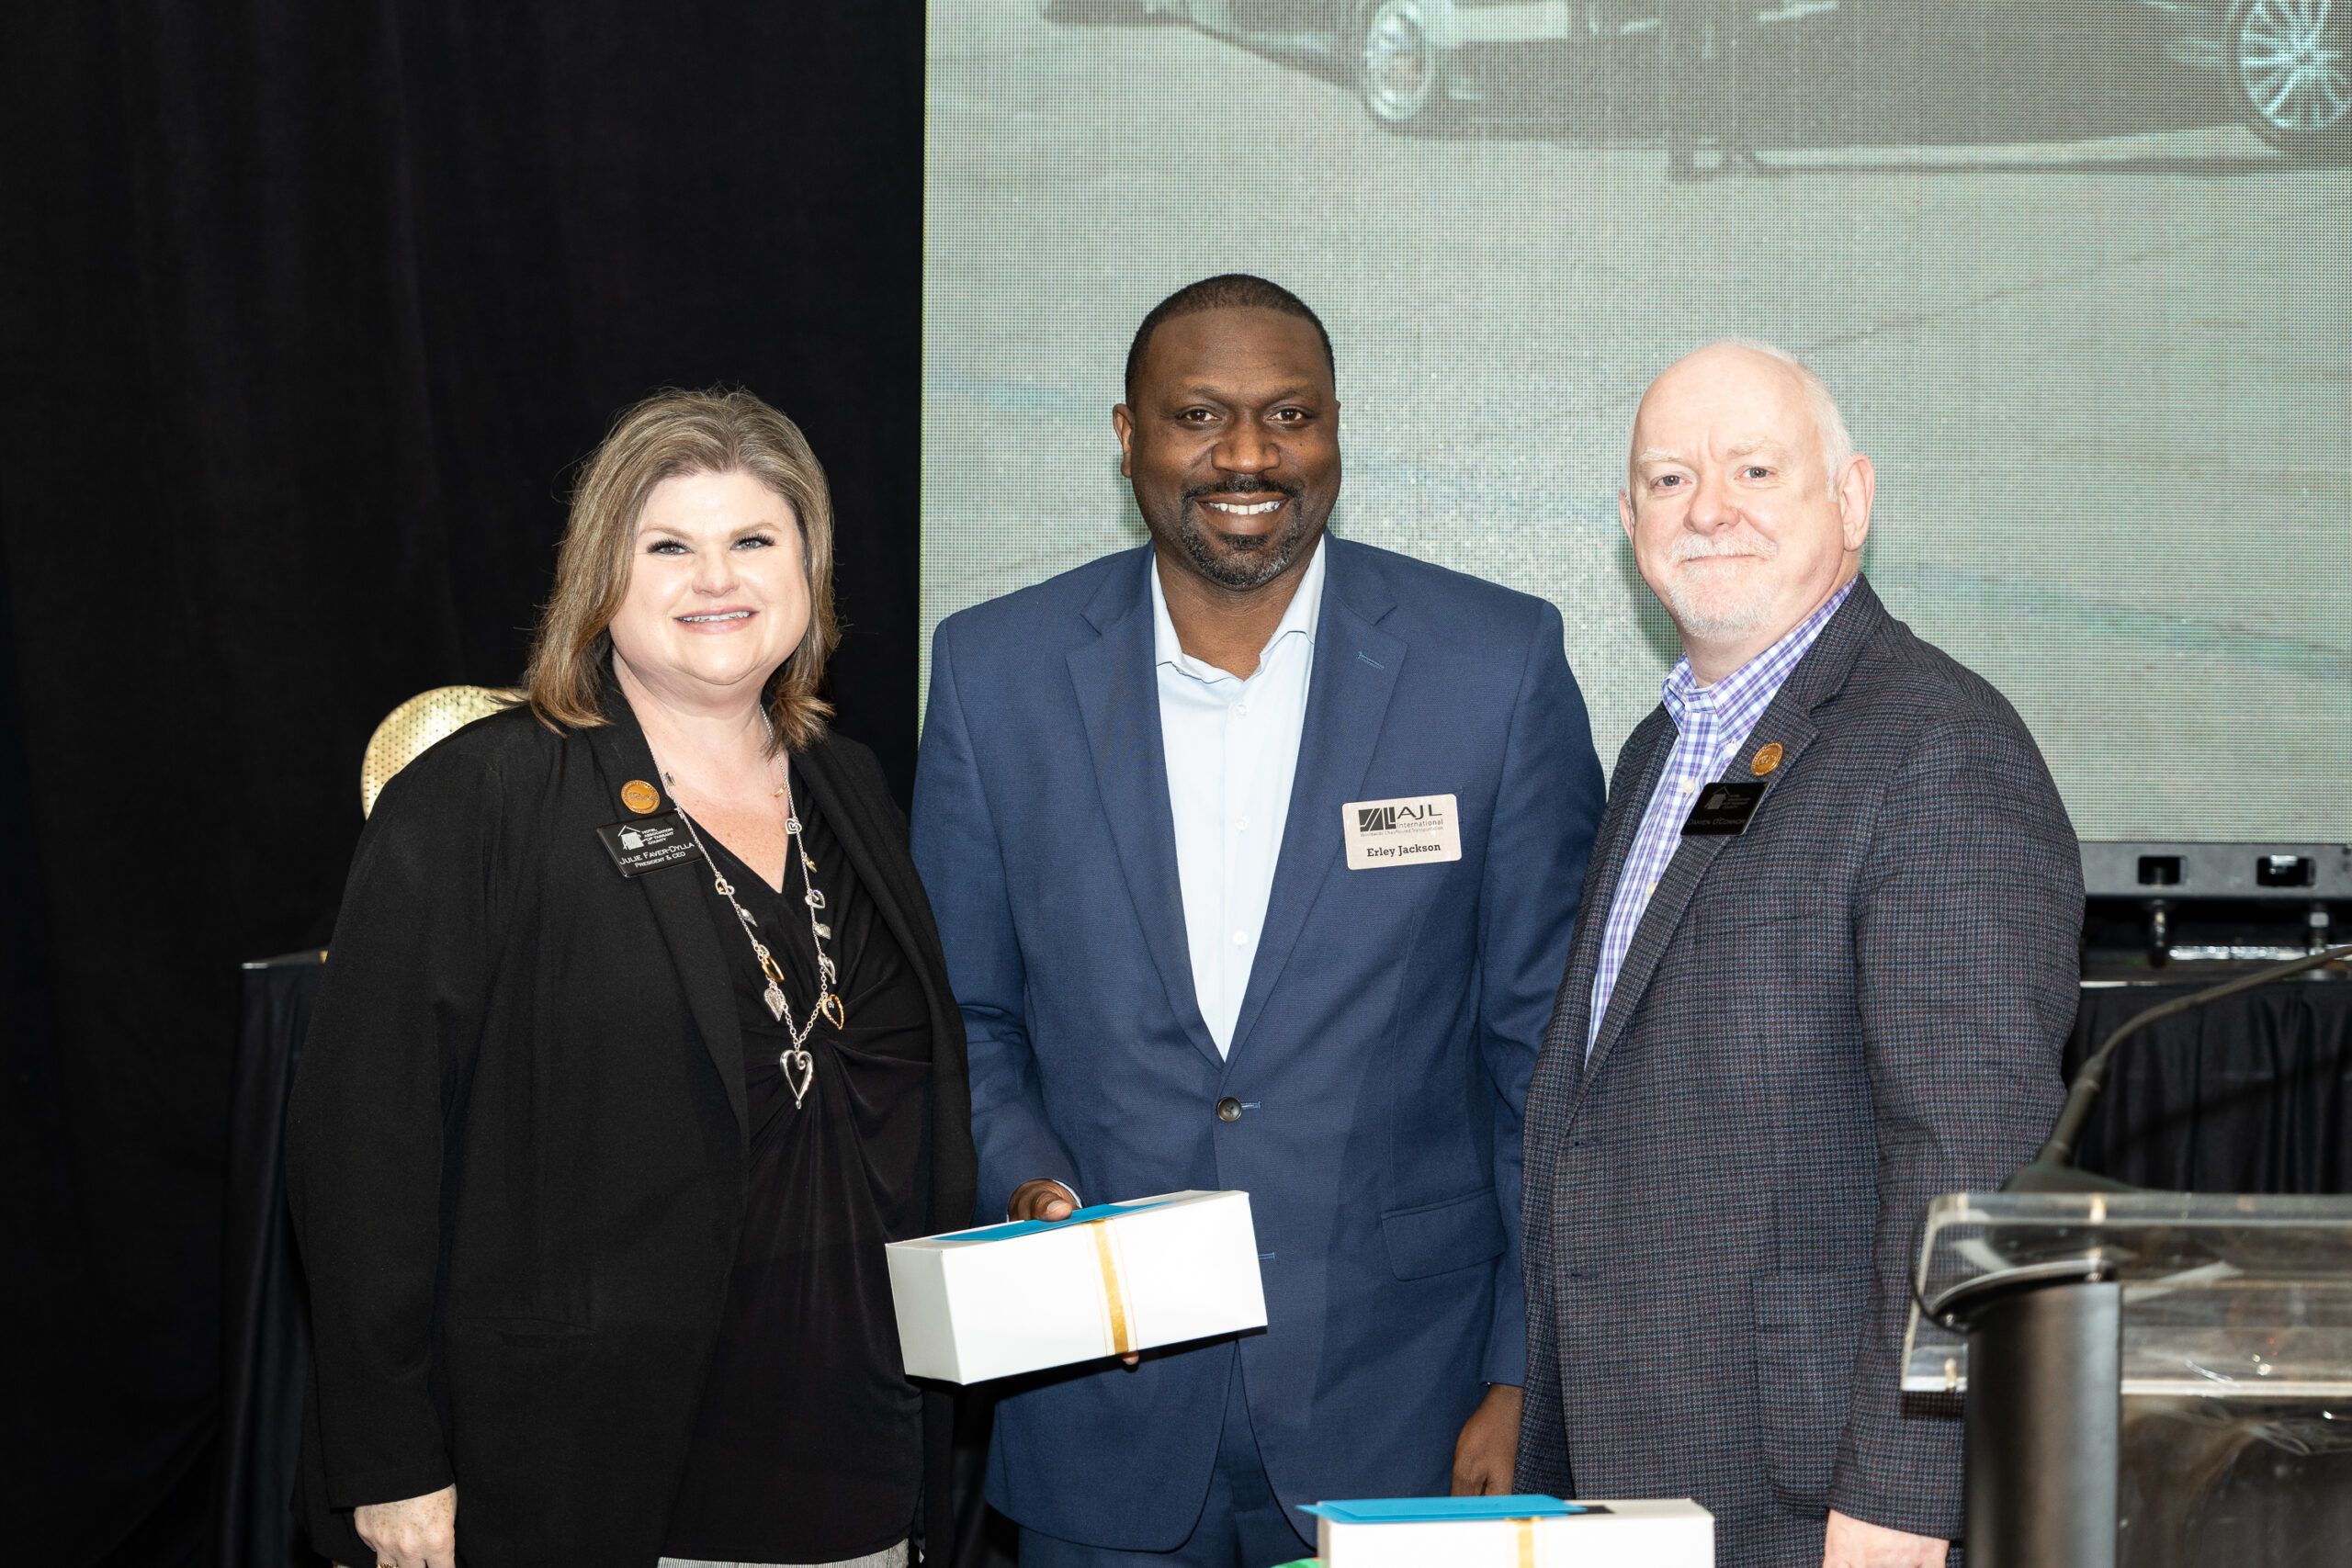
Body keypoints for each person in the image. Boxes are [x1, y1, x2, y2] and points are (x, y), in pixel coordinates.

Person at [911, 274, 1607, 1567]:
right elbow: (966, 1016)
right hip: (1096, 1402)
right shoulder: (992, 670)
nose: (1248, 455)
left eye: (1290, 414)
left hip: (1412, 1407)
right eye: (1199, 416)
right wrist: (1028, 1180)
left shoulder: (1493, 664)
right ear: (1127, 436)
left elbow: (1545, 1054)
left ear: (1336, 429)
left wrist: (1525, 1366)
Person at [287, 389, 975, 1568]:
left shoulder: (849, 784)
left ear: (807, 569)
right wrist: (391, 1454)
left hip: (859, 1452)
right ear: (600, 576)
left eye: (752, 539)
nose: (717, 578)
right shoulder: (481, 798)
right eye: (668, 547)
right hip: (592, 1471)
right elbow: (365, 1143)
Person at [1515, 342, 2080, 1568]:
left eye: (1755, 470)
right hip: (1638, 1462)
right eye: (1669, 480)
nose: (1707, 508)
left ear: (1852, 498)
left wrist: (1912, 1489)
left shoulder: (1939, 748)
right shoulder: (1659, 753)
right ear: (1629, 521)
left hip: (1820, 1496)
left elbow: (1974, 1162)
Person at [1659, 2, 1764, 181]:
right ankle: (1680, 166)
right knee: (1683, 94)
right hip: (1686, 36)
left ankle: (1732, 154)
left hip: (1708, 33)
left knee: (1727, 89)